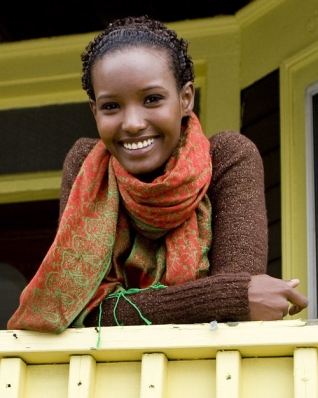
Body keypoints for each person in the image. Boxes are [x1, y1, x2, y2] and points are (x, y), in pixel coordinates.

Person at [7, 16, 308, 333]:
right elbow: (72, 309)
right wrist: (226, 297)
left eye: (152, 99)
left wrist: (232, 298)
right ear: (95, 112)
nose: (133, 123)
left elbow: (238, 310)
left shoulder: (229, 157)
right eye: (112, 106)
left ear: (186, 98)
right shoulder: (86, 166)